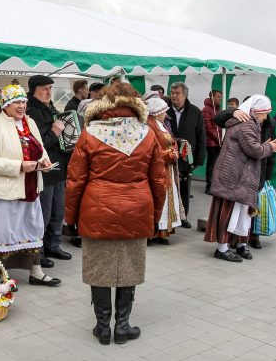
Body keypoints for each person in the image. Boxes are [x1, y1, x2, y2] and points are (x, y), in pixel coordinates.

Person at [66, 83, 166, 345]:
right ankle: (122, 326)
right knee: (130, 266)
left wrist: (71, 217)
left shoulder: (89, 133)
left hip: (97, 209)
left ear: (105, 102)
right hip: (137, 208)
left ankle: (102, 327)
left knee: (99, 267)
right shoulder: (147, 134)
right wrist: (154, 216)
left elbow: (75, 180)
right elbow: (158, 180)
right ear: (135, 103)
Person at [0, 83, 60, 287]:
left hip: (30, 187)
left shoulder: (29, 122)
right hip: (6, 191)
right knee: (3, 234)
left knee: (31, 229)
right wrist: (20, 166)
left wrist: (45, 161)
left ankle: (36, 271)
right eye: (16, 102)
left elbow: (40, 148)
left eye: (23, 101)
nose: (22, 106)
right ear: (6, 104)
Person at [206, 95, 276, 262]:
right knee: (228, 214)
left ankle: (237, 245)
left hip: (239, 177)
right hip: (234, 177)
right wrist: (270, 147)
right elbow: (254, 150)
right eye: (265, 113)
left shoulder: (249, 123)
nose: (266, 117)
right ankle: (222, 248)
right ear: (257, 111)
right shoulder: (247, 124)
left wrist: (266, 147)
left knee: (240, 214)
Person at [26, 75, 72, 263]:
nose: (48, 92)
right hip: (44, 170)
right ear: (34, 90)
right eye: (44, 88)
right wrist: (55, 132)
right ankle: (40, 251)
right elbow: (38, 145)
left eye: (50, 88)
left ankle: (53, 245)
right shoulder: (32, 112)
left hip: (58, 169)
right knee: (43, 213)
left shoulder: (49, 107)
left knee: (58, 211)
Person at [143, 92, 184, 245]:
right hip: (158, 169)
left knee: (166, 199)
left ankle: (163, 232)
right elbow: (150, 150)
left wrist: (174, 150)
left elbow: (171, 140)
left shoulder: (161, 124)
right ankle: (151, 232)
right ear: (157, 112)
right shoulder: (149, 125)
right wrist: (168, 155)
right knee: (157, 198)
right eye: (164, 111)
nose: (166, 113)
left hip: (167, 169)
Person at [167, 82, 206, 227]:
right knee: (170, 187)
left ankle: (184, 217)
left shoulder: (195, 112)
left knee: (184, 188)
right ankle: (171, 216)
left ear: (185, 95)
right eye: (172, 92)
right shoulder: (166, 111)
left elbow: (201, 136)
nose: (174, 96)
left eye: (177, 93)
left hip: (186, 157)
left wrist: (198, 160)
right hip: (168, 156)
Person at [202, 90, 223, 194]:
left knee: (216, 164)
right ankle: (209, 185)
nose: (220, 98)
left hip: (218, 141)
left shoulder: (218, 109)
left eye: (220, 97)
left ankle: (213, 184)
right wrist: (218, 139)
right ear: (212, 97)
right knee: (212, 164)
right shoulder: (206, 109)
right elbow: (208, 127)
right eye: (218, 96)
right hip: (211, 142)